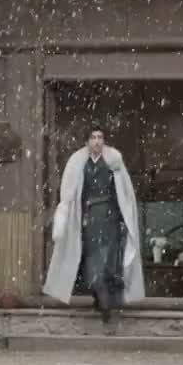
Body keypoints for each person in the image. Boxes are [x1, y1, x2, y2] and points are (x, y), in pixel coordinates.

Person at [42, 125, 144, 323]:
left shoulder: (113, 162)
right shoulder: (79, 164)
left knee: (109, 261)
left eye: (100, 137)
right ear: (87, 142)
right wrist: (71, 215)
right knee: (93, 260)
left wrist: (122, 217)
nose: (97, 141)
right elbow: (72, 194)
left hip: (110, 218)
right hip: (89, 219)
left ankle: (106, 300)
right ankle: (100, 297)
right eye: (93, 137)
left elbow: (123, 193)